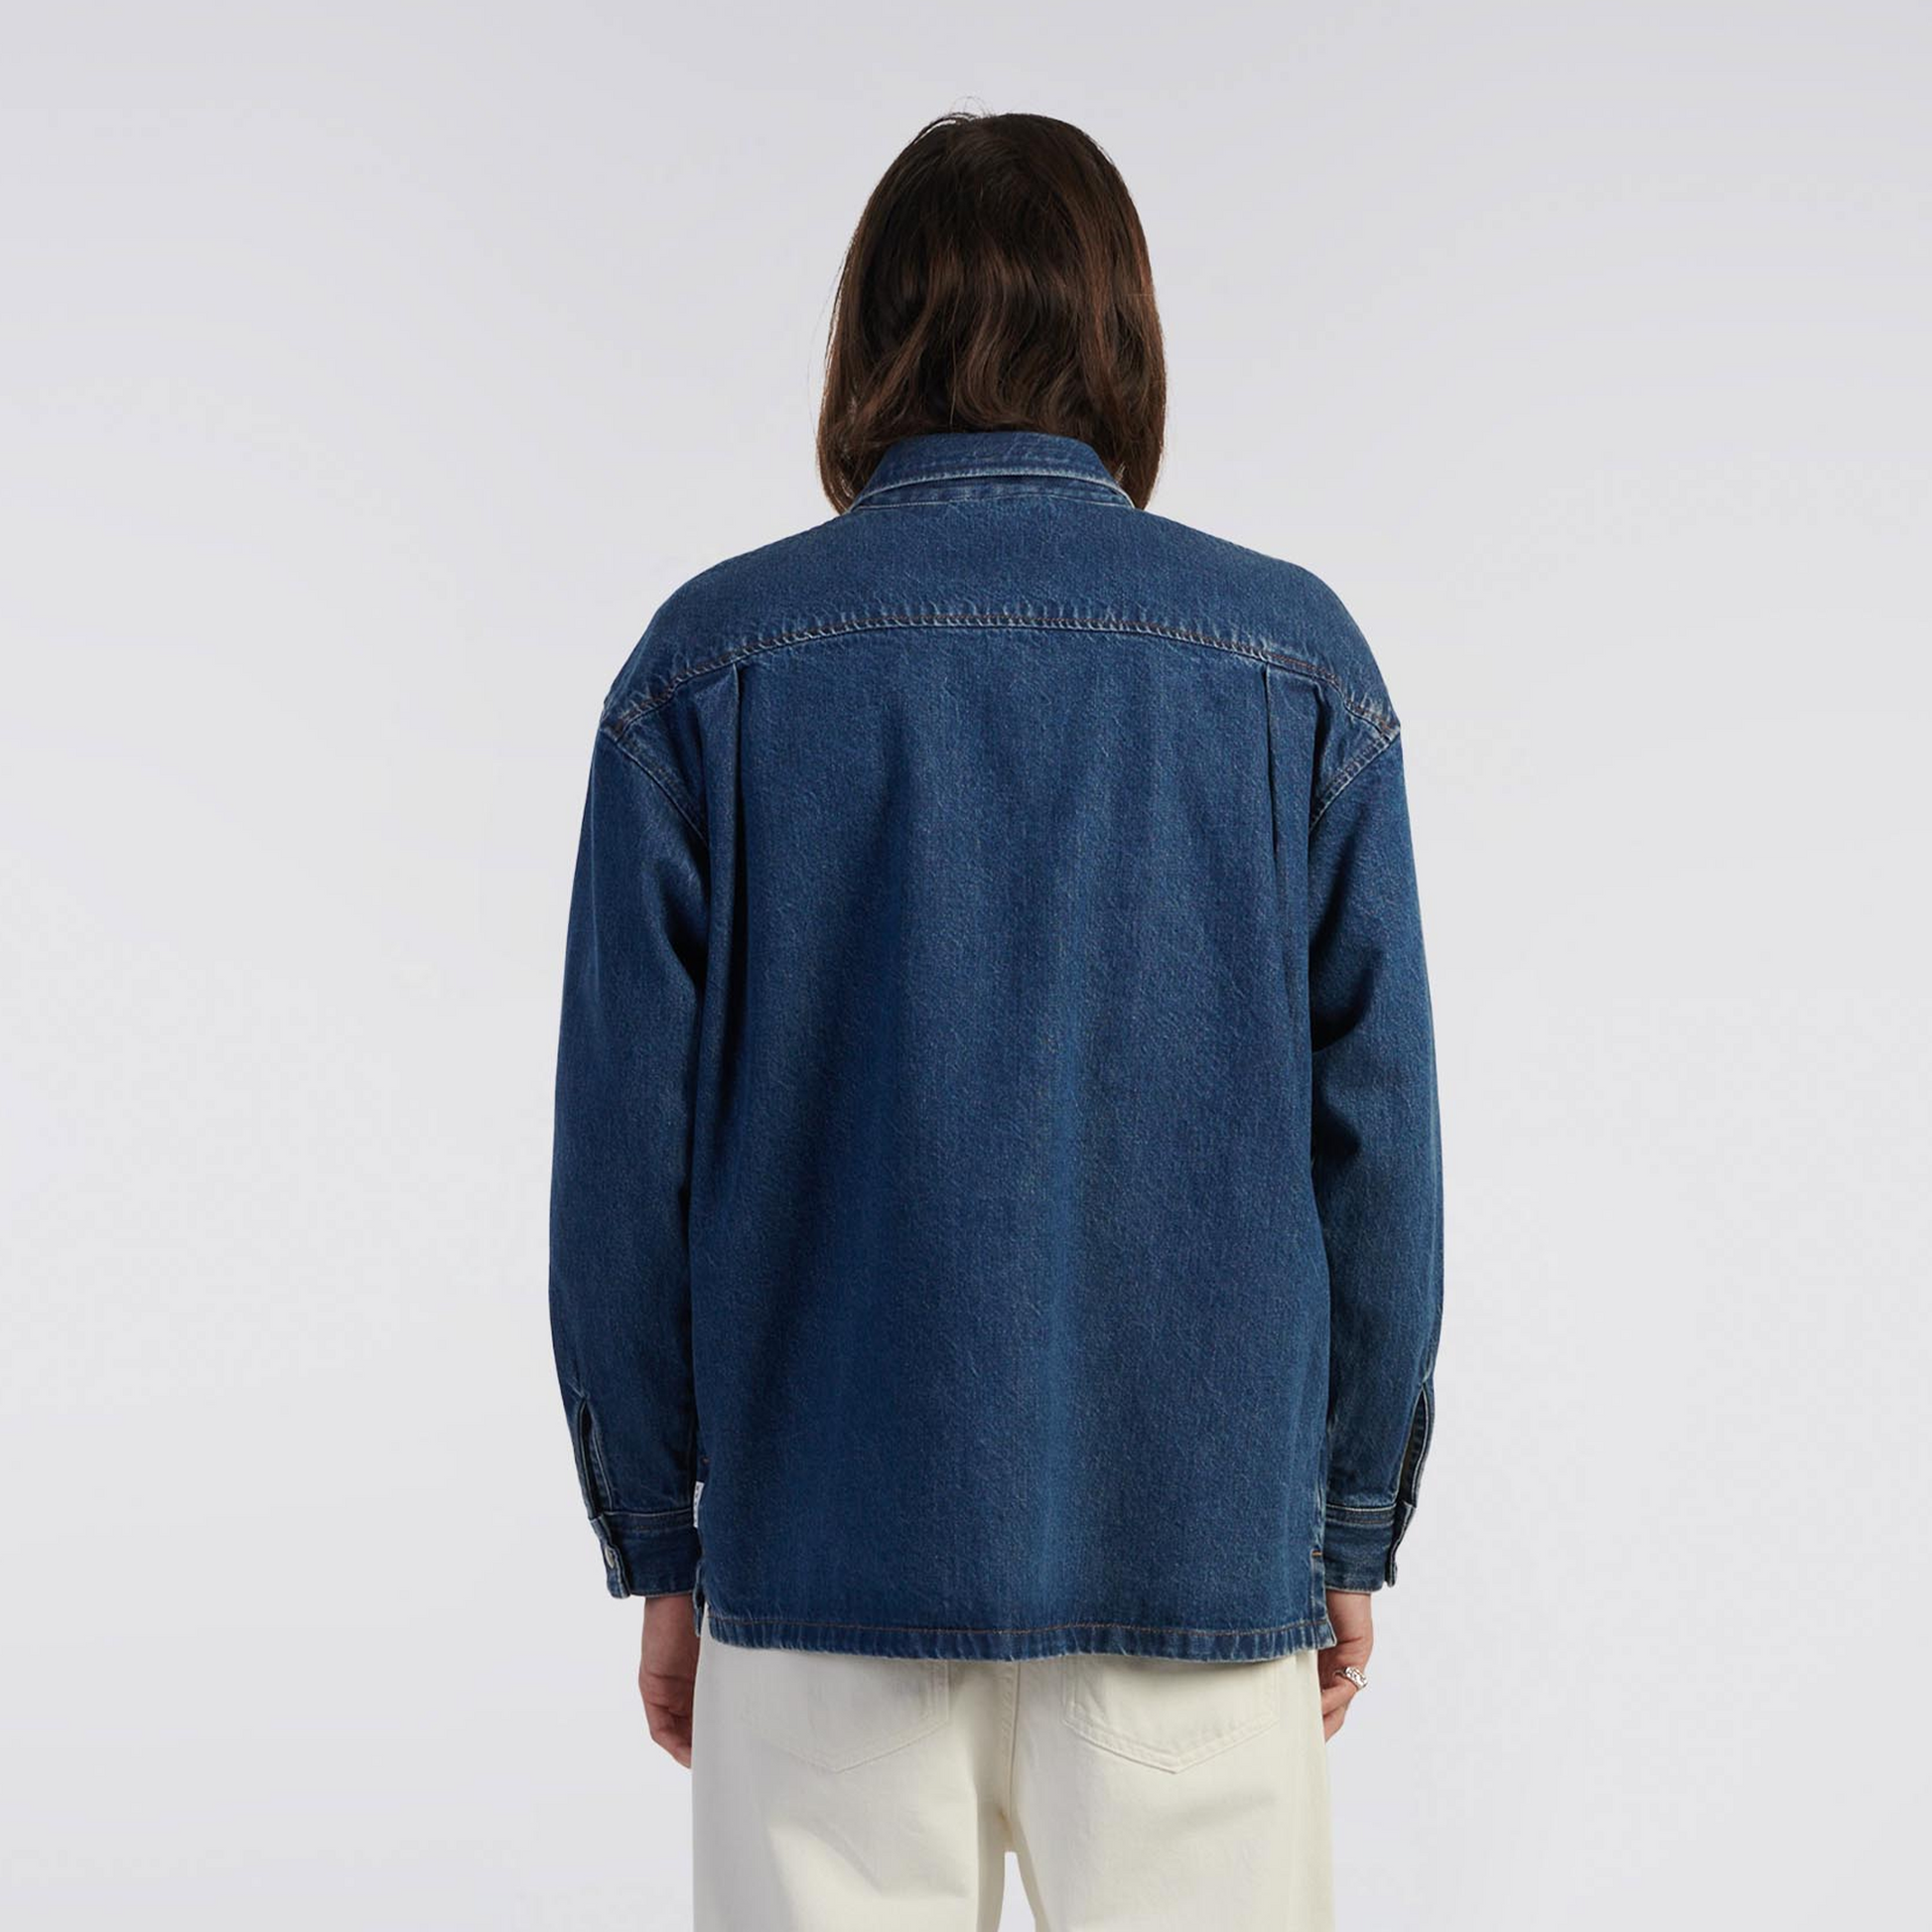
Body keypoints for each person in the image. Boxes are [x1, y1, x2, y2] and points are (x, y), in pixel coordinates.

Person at [548, 109, 1443, 1932]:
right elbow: (1379, 1142)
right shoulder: (1289, 665)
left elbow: (620, 1163)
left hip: (819, 1573)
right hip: (1194, 1569)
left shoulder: (709, 666)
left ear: (867, 338)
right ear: (1121, 339)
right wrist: (1346, 1521)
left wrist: (662, 1538)